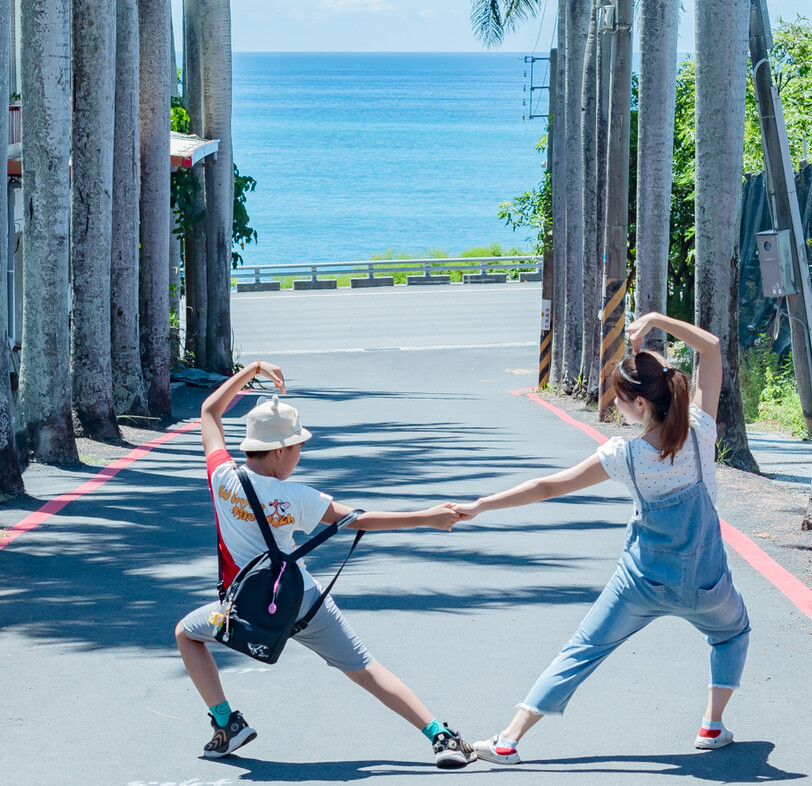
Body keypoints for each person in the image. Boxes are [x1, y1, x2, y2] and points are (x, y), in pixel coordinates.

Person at [451, 312, 750, 765]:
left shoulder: (623, 457)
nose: (615, 404)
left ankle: (509, 739)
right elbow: (709, 347)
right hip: (706, 581)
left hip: (641, 582)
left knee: (582, 650)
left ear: (641, 406)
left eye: (619, 397)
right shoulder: (700, 432)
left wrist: (481, 504)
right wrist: (656, 321)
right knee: (733, 633)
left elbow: (548, 486)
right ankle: (712, 726)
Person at [175, 359, 477, 769]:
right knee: (364, 667)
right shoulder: (298, 497)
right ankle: (440, 736)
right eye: (298, 447)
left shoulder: (222, 478)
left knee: (187, 634)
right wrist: (427, 516)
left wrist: (253, 370)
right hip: (301, 600)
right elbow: (359, 519)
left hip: (245, 610)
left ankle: (227, 724)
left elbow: (210, 411)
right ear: (280, 450)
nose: (299, 455)